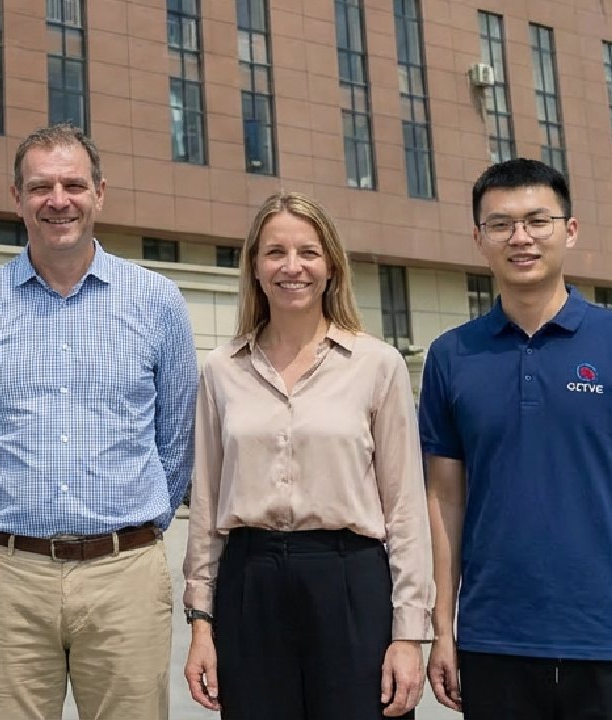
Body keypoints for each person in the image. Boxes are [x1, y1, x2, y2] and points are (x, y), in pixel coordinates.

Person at [0, 122, 198, 720]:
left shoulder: (157, 302)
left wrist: (140, 526)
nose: (58, 200)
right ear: (17, 198)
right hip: (7, 575)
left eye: (73, 185)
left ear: (100, 193)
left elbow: (177, 439)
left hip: (124, 572)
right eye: (41, 187)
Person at [420, 158, 612, 718]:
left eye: (537, 221)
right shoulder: (452, 356)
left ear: (569, 231)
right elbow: (444, 498)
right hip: (493, 640)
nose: (520, 237)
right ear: (479, 239)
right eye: (500, 224)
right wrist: (442, 629)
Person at [181, 191, 434, 719]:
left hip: (351, 581)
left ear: (331, 267)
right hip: (250, 585)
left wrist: (410, 635)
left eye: (308, 252)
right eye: (275, 252)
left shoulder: (377, 365)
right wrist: (202, 622)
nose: (291, 267)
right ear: (254, 266)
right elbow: (205, 507)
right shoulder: (221, 371)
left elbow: (406, 509)